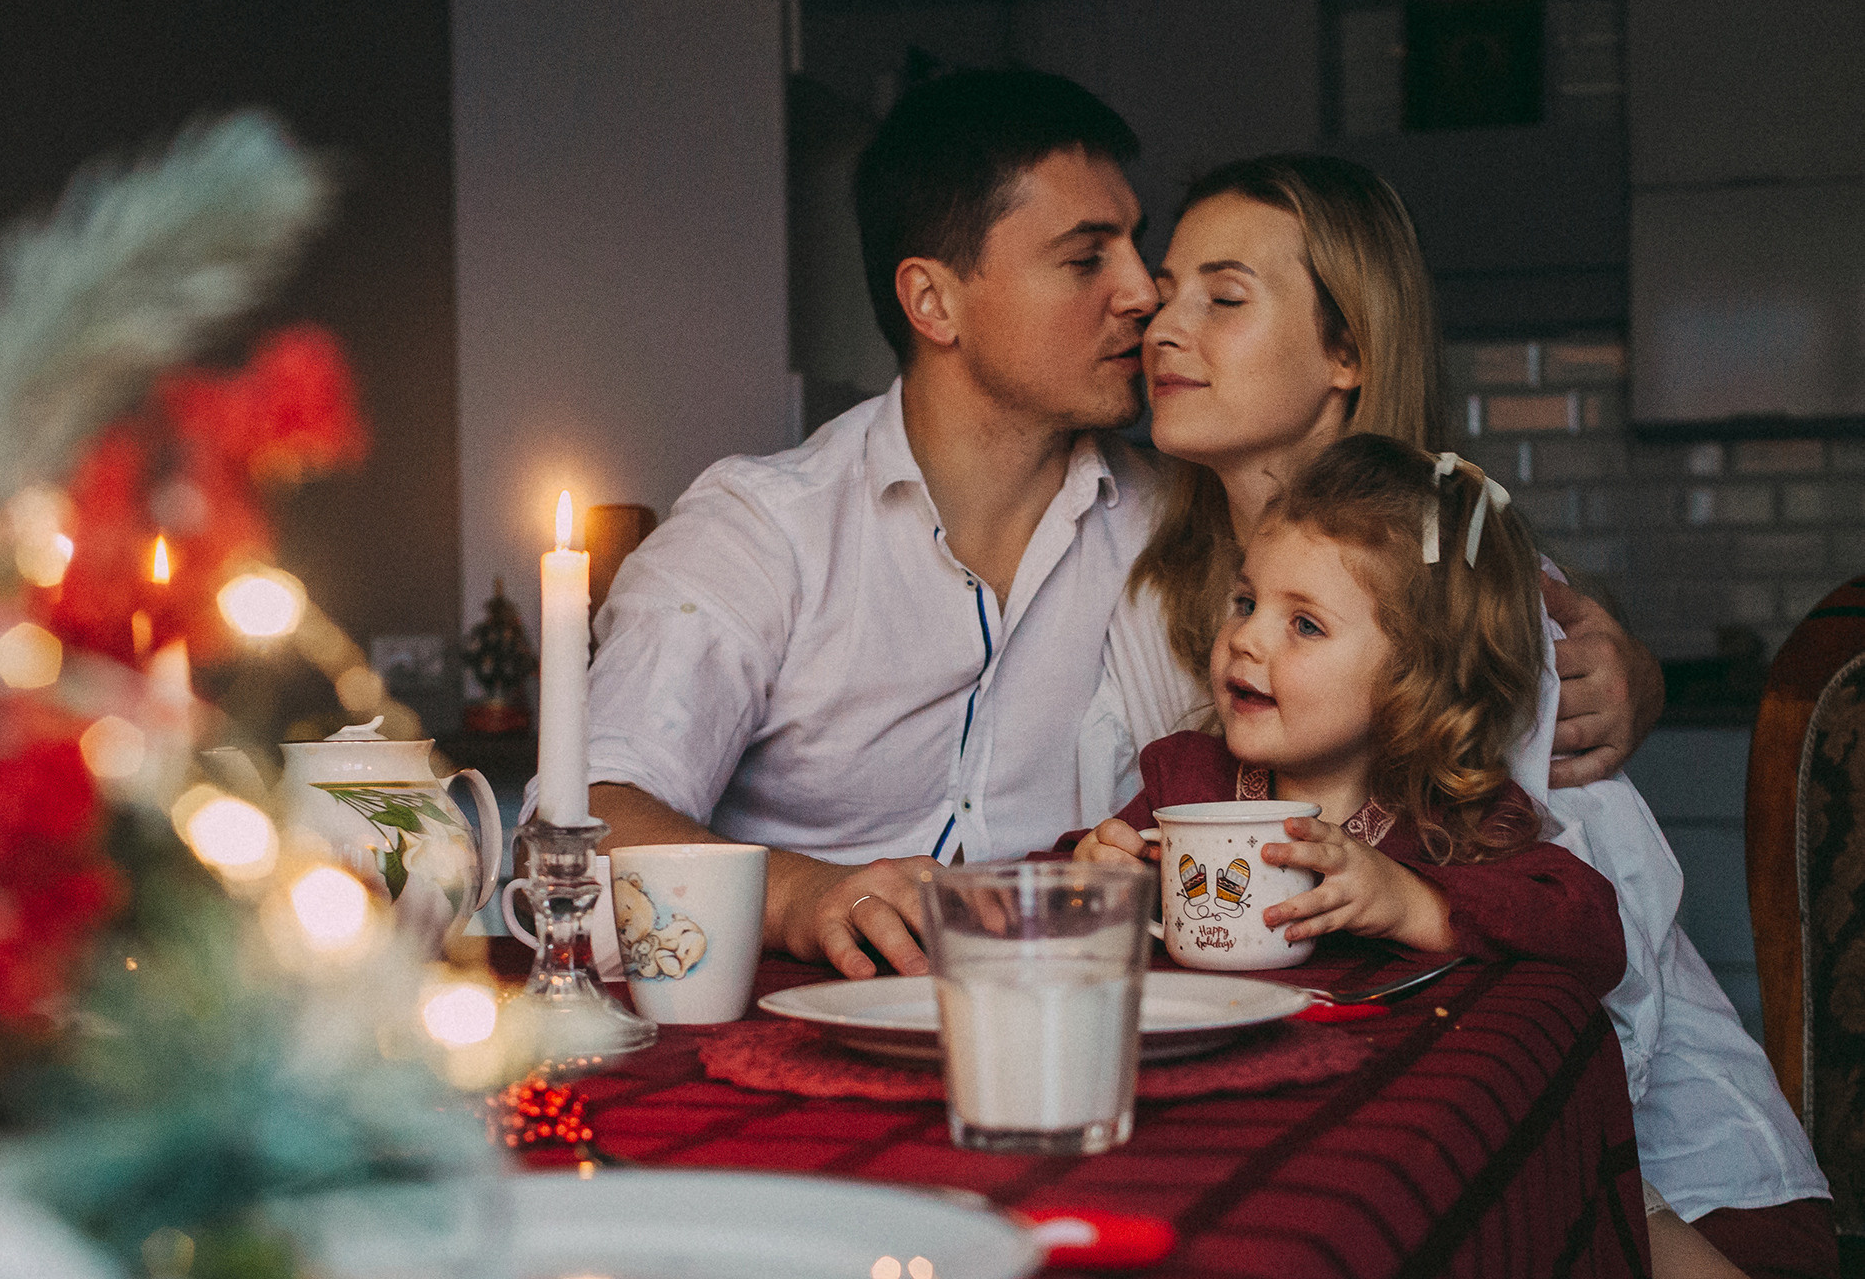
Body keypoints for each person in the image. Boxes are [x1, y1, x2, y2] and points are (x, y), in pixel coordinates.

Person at [578, 69, 1656, 981]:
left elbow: (1405, 593)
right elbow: (587, 814)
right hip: (813, 1019)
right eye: (1090, 255)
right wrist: (801, 893)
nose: (1145, 296)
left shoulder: (1180, 524)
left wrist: (1625, 672)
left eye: (1149, 254)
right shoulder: (766, 529)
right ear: (935, 302)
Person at [1078, 153, 1829, 1279]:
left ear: (1350, 353)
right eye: (1168, 288)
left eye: (1224, 297)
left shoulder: (1465, 586)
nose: (1162, 323)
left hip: (1662, 1172)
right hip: (1354, 1109)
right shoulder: (1152, 557)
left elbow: (1587, 942)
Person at [1071, 433, 1626, 1000]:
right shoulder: (1183, 779)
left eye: (1305, 624)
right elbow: (1051, 881)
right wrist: (1091, 873)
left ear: (1415, 675)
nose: (1247, 638)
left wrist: (1412, 903)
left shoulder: (1450, 820)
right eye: (1246, 602)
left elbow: (1594, 932)